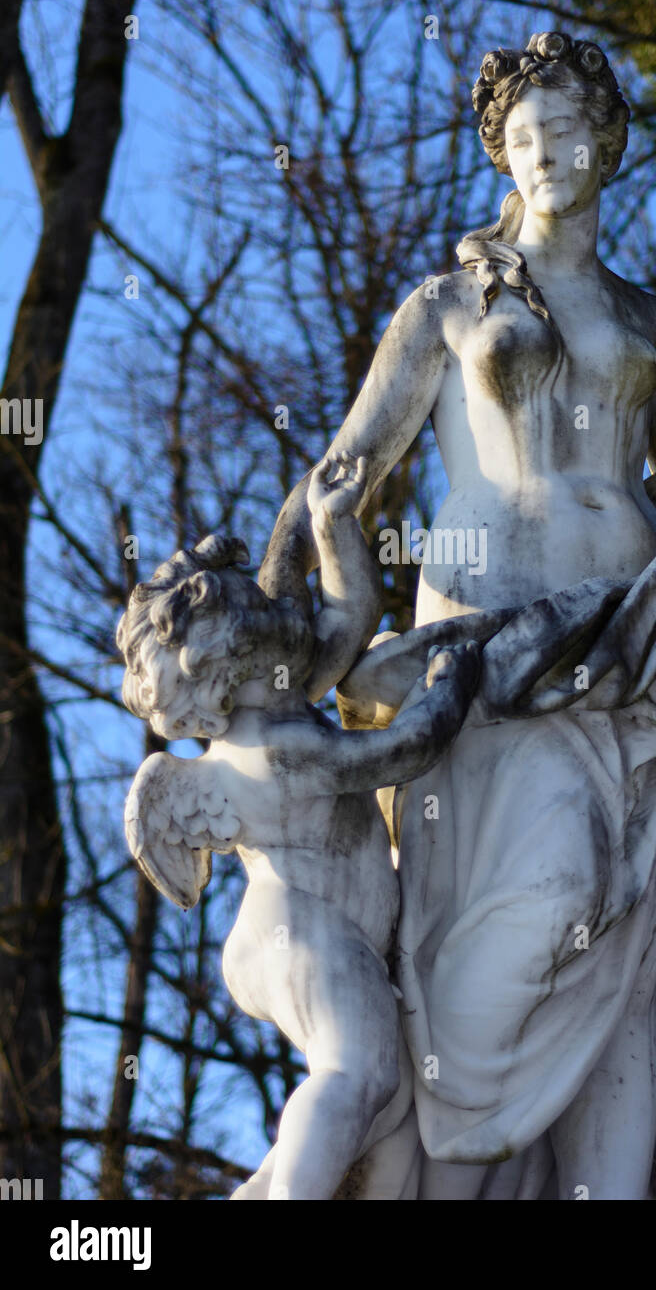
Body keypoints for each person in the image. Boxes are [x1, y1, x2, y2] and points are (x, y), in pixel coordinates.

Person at [259, 33, 656, 1200]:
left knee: (622, 926)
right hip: (485, 644)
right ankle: (455, 1157)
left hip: (636, 638)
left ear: (604, 143)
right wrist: (310, 629)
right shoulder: (447, 304)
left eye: (563, 130)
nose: (544, 153)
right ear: (501, 158)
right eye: (520, 138)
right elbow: (344, 476)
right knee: (522, 901)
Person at [116, 456, 480, 1200]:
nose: (273, 604)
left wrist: (332, 523)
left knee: (391, 1105)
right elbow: (403, 750)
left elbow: (351, 620)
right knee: (359, 1073)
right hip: (295, 924)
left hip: (319, 930)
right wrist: (451, 683)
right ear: (224, 652)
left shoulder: (284, 710)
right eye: (250, 602)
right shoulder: (280, 750)